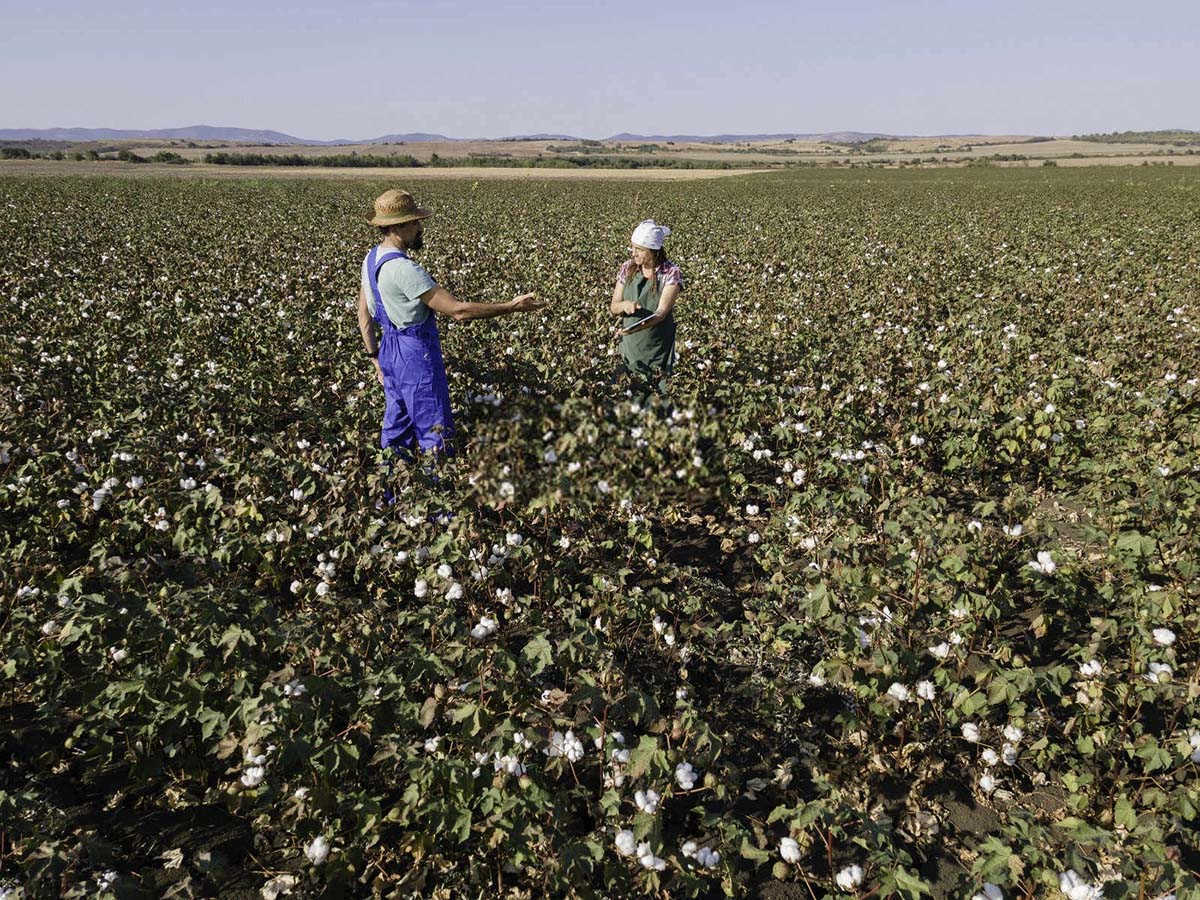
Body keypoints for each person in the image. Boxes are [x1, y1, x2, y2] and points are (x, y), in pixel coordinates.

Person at [357, 189, 545, 458]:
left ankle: (389, 493)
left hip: (388, 349)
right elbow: (458, 311)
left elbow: (363, 313)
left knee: (396, 429)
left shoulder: (370, 259)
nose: (420, 227)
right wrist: (512, 306)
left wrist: (375, 356)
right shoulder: (405, 270)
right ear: (398, 227)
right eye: (415, 222)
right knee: (434, 430)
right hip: (414, 354)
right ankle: (437, 490)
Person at [609, 219, 683, 395]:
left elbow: (660, 313)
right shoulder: (627, 268)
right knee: (627, 394)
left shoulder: (671, 272)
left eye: (639, 249)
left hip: (658, 347)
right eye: (633, 247)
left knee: (658, 397)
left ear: (654, 251)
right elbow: (613, 306)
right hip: (630, 347)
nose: (633, 253)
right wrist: (625, 306)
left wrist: (633, 329)